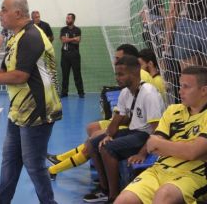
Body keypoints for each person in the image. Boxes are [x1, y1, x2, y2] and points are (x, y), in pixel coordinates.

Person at [0, 0, 62, 204]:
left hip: (37, 110)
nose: (0, 14)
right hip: (19, 109)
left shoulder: (31, 37)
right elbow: (5, 69)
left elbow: (20, 75)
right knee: (10, 158)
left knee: (34, 164)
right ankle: (1, 200)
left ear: (18, 13)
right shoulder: (14, 38)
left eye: (3, 9)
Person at [115, 66, 207, 204]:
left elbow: (191, 152)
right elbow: (152, 145)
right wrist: (189, 149)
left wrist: (176, 149)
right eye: (180, 85)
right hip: (158, 171)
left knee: (163, 196)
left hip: (192, 177)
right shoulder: (173, 110)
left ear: (204, 90)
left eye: (186, 87)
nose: (180, 91)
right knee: (123, 200)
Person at [47, 44, 155, 179]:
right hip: (131, 122)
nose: (115, 61)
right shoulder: (130, 83)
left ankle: (56, 168)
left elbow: (148, 122)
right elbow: (126, 109)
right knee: (93, 131)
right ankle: (61, 159)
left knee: (95, 138)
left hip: (137, 127)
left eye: (118, 58)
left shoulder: (143, 82)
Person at [83, 55, 165, 203]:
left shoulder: (149, 93)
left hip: (145, 136)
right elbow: (117, 120)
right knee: (92, 143)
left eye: (121, 74)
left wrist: (142, 153)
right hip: (133, 132)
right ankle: (104, 188)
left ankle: (113, 196)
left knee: (107, 149)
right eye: (116, 74)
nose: (117, 78)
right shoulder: (125, 92)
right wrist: (108, 134)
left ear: (134, 74)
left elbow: (157, 132)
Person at [60, 13, 84, 98]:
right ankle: (64, 92)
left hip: (75, 56)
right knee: (65, 75)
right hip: (65, 56)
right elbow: (63, 40)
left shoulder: (77, 30)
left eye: (69, 18)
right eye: (66, 18)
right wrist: (73, 39)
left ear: (73, 20)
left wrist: (68, 40)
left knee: (77, 74)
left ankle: (81, 92)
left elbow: (78, 41)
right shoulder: (63, 29)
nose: (67, 19)